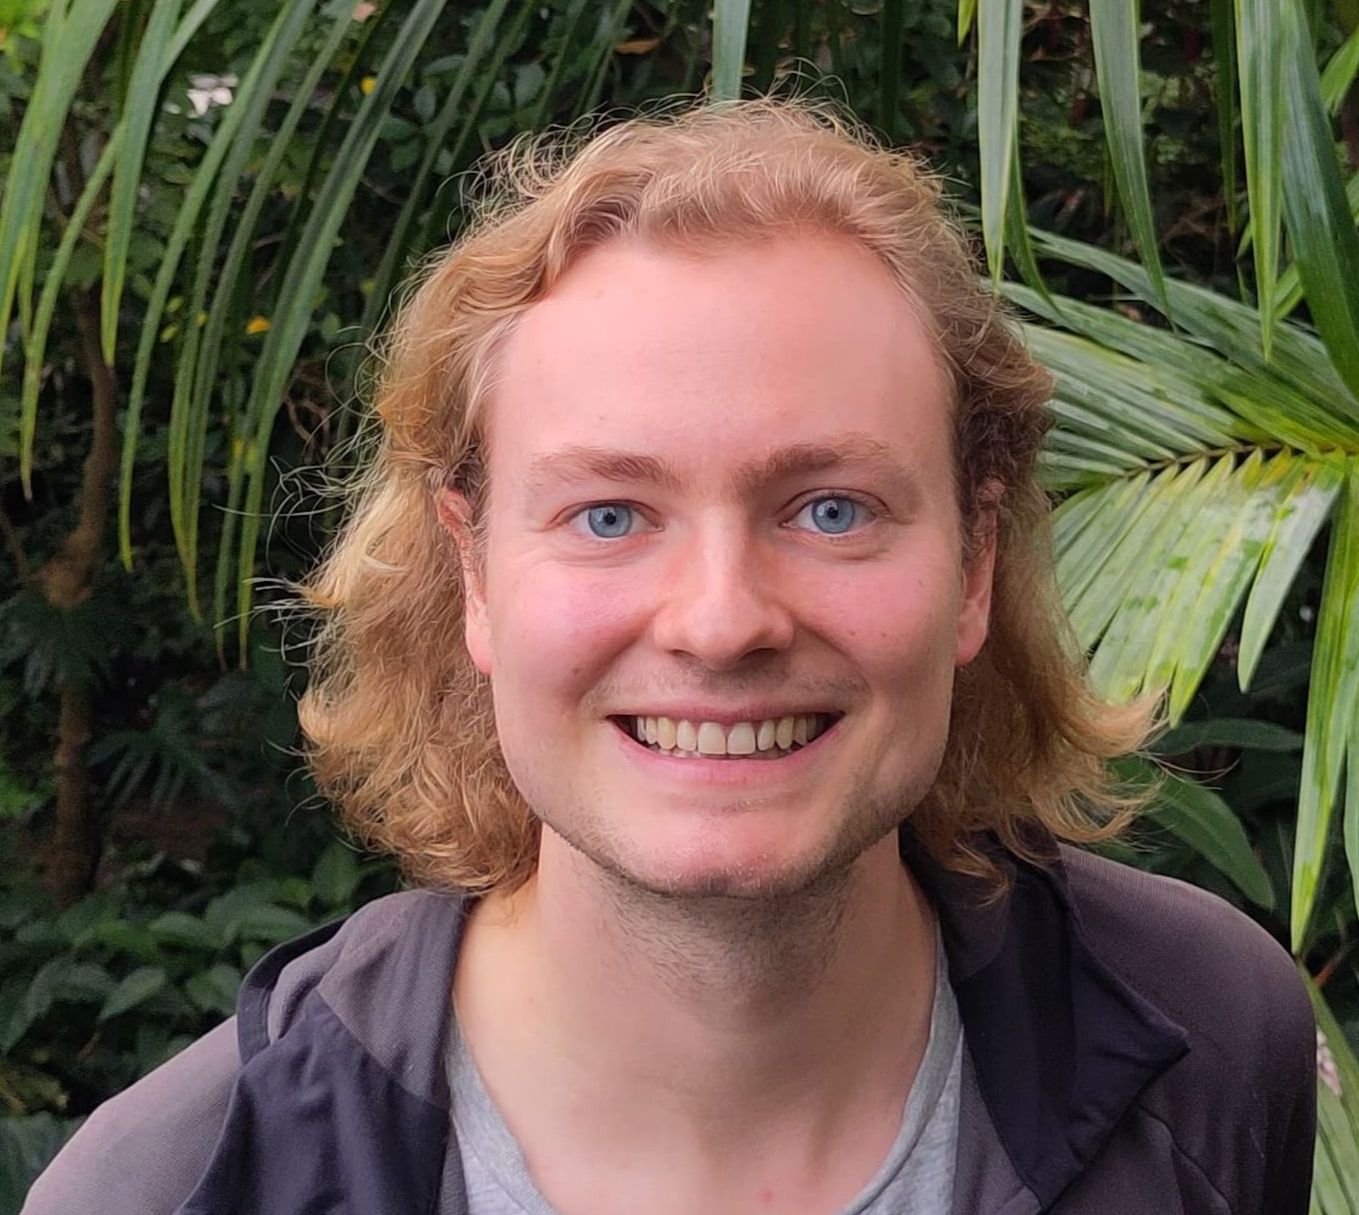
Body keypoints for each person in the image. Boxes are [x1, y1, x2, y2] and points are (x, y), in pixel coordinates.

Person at [25, 98, 1315, 1215]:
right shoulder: (169, 1189)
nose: (720, 620)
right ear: (474, 574)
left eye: (831, 509)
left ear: (974, 562)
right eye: (609, 516)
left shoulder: (1210, 1043)